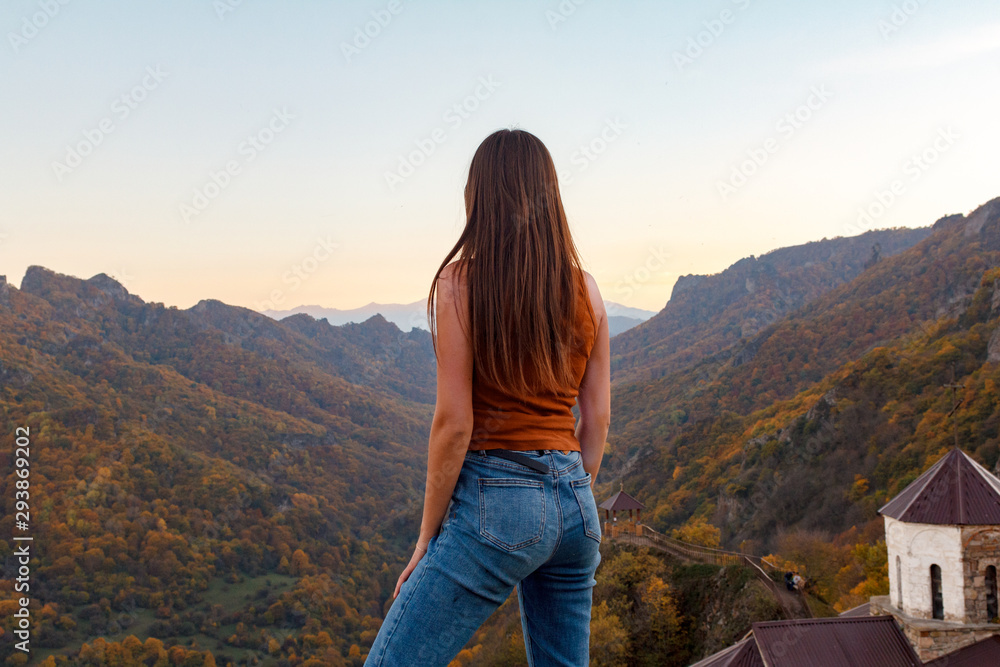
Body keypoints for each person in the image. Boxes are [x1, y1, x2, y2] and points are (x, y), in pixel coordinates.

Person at [364, 128, 611, 666]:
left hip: (499, 501)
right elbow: (597, 417)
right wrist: (570, 493)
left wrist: (427, 536)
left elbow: (454, 424)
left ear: (481, 198)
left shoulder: (459, 284)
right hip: (577, 504)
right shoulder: (587, 290)